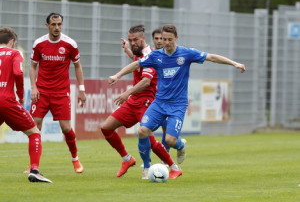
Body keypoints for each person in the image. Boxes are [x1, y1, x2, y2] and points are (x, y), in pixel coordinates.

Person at [108, 23, 246, 178]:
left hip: (177, 105)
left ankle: (180, 145)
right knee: (142, 131)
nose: (166, 43)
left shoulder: (186, 54)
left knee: (170, 140)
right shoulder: (156, 55)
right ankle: (146, 169)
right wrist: (117, 76)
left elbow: (211, 57)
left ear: (176, 38)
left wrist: (234, 63)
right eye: (164, 39)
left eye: (169, 40)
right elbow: (136, 63)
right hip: (159, 103)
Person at [101, 24, 181, 179]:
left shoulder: (151, 54)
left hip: (147, 102)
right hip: (134, 102)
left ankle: (173, 166)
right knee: (106, 127)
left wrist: (127, 93)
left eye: (136, 40)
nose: (133, 42)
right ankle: (127, 159)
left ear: (143, 38)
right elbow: (136, 63)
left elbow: (145, 81)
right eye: (130, 40)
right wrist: (128, 52)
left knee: (147, 137)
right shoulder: (139, 53)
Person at [28, 13, 86, 173]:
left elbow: (77, 66)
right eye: (53, 24)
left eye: (59, 24)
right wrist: (33, 87)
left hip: (61, 92)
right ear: (47, 25)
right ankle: (33, 165)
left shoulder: (70, 44)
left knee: (66, 127)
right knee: (34, 126)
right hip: (42, 91)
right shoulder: (39, 43)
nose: (57, 28)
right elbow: (32, 66)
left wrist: (82, 89)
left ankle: (75, 159)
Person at [0, 27, 52, 183]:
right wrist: (21, 96)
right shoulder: (15, 53)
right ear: (12, 41)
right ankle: (34, 170)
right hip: (6, 100)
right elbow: (17, 73)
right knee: (34, 132)